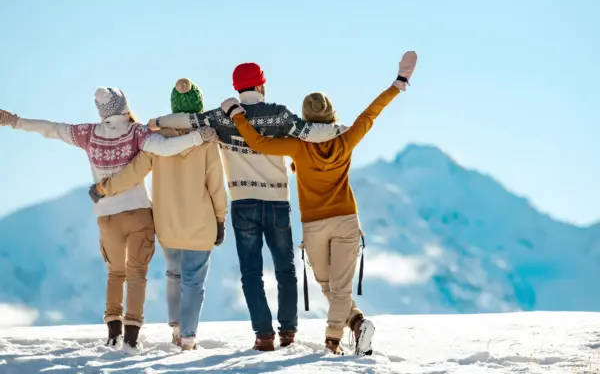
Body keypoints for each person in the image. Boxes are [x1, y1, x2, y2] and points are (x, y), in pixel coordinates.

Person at [221, 51, 418, 355]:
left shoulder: (298, 147)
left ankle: (333, 341)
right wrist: (399, 83)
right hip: (347, 220)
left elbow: (258, 143)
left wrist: (236, 115)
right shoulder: (346, 139)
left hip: (314, 226)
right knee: (336, 288)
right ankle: (356, 324)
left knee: (329, 286)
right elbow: (371, 113)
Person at [147, 63, 348, 351]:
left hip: (243, 203)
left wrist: (157, 121)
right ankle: (288, 333)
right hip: (277, 202)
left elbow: (187, 119)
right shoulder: (278, 114)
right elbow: (310, 132)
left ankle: (263, 336)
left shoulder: (220, 117)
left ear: (237, 89)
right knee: (285, 270)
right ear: (262, 86)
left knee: (251, 272)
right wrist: (343, 130)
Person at [0, 87, 216, 349]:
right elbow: (167, 148)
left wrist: (15, 121)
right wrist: (198, 138)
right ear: (124, 104)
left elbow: (52, 128)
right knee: (137, 276)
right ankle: (132, 338)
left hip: (108, 217)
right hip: (138, 213)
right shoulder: (137, 133)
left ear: (102, 111)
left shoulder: (88, 134)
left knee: (115, 274)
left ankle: (114, 333)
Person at [88, 79, 227, 351]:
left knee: (174, 274)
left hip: (167, 224)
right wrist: (220, 219)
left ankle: (176, 328)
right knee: (194, 281)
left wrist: (105, 187)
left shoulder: (157, 140)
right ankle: (188, 337)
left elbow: (133, 172)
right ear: (197, 108)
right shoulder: (207, 141)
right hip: (201, 224)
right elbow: (216, 186)